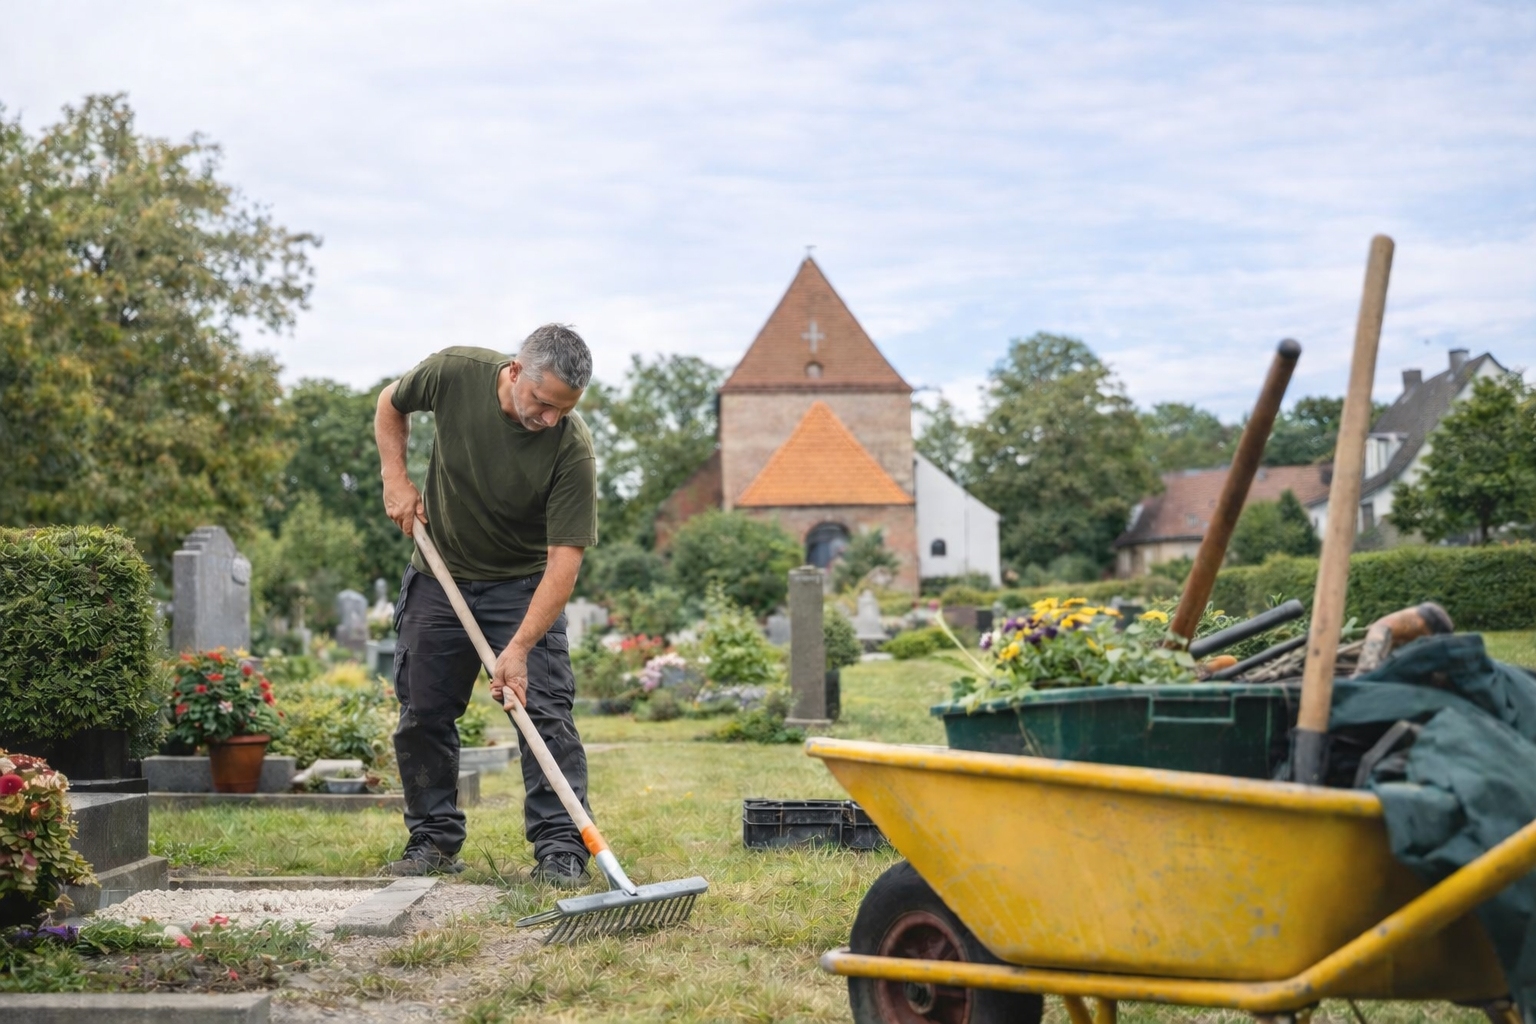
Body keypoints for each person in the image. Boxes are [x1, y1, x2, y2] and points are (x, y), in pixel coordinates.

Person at [373, 324, 597, 883]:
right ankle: (433, 840)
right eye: (542, 404)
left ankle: (561, 849)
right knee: (423, 712)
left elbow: (564, 564)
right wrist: (394, 478)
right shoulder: (455, 372)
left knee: (543, 714)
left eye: (561, 411)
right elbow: (389, 403)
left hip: (523, 586)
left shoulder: (571, 447)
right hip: (439, 573)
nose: (549, 419)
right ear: (515, 371)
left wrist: (519, 647)